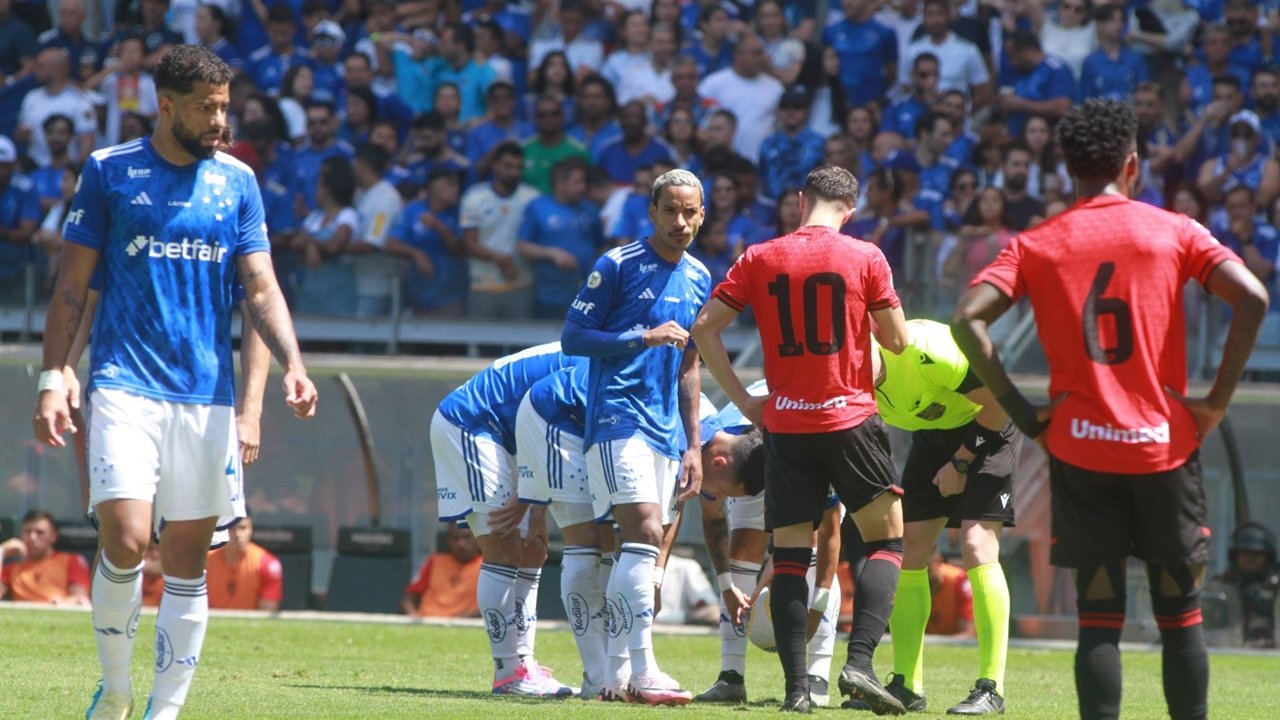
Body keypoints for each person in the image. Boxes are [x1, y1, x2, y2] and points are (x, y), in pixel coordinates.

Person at [952, 98, 1269, 720]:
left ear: (1070, 169)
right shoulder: (1174, 229)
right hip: (1164, 448)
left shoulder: (1037, 242)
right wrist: (1213, 404)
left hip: (1080, 449)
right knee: (1181, 617)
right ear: (1132, 165)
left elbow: (967, 318)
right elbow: (1253, 297)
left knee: (1099, 621)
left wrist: (1025, 414)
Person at [32, 45, 318, 720]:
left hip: (205, 396)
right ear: (166, 104)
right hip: (123, 384)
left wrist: (294, 365)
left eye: (225, 106)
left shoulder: (237, 182)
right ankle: (117, 688)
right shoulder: (110, 172)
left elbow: (261, 288)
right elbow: (72, 289)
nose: (221, 120)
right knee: (127, 539)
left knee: (188, 558)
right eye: (206, 108)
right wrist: (54, 376)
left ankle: (165, 710)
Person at [691, 164, 911, 714]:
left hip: (786, 426)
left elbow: (703, 328)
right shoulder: (866, 256)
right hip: (850, 418)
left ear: (799, 201)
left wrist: (745, 403)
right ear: (851, 210)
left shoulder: (761, 257)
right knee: (886, 542)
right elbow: (899, 342)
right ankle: (857, 665)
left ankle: (795, 692)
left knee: (790, 555)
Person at [560, 168, 712, 705]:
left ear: (702, 214)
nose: (679, 221)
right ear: (651, 213)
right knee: (644, 531)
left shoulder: (698, 276)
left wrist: (694, 444)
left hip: (666, 430)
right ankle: (642, 669)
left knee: (639, 543)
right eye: (669, 210)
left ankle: (615, 676)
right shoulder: (618, 265)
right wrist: (641, 337)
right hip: (615, 418)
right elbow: (573, 337)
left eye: (689, 211)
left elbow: (690, 366)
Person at [865, 318, 1019, 714]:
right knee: (910, 547)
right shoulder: (849, 383)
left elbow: (998, 402)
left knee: (976, 544)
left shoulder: (926, 350)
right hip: (934, 435)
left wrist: (962, 463)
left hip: (990, 421)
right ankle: (906, 686)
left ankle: (991, 688)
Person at [429, 342, 581, 697]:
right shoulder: (592, 362)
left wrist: (537, 507)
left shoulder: (599, 355)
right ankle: (508, 672)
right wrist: (530, 498)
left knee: (533, 550)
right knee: (505, 547)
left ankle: (524, 663)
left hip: (506, 436)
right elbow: (548, 427)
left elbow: (548, 431)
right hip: (471, 423)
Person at [693, 383, 843, 708]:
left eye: (723, 493)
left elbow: (829, 531)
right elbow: (713, 519)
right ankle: (730, 676)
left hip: (805, 434)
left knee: (808, 551)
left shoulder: (806, 448)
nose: (718, 498)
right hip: (763, 445)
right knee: (742, 547)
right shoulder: (715, 450)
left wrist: (817, 604)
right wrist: (727, 586)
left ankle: (816, 674)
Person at [0, 509, 91, 604]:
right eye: (27, 532)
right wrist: (1, 551)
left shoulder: (71, 560)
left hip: (59, 614)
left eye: (40, 532)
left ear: (53, 536)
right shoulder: (12, 569)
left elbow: (80, 597)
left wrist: (58, 605)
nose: (32, 538)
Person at [402, 522, 483, 618]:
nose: (461, 543)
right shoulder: (435, 561)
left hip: (463, 624)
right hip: (426, 621)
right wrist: (413, 617)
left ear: (477, 539)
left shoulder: (487, 565)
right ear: (448, 541)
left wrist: (457, 621)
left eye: (467, 537)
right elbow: (409, 597)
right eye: (455, 538)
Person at [205, 516, 283, 612]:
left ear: (251, 529)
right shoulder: (204, 560)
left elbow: (267, 613)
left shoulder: (267, 563)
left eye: (243, 528)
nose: (238, 534)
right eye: (231, 528)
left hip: (251, 625)